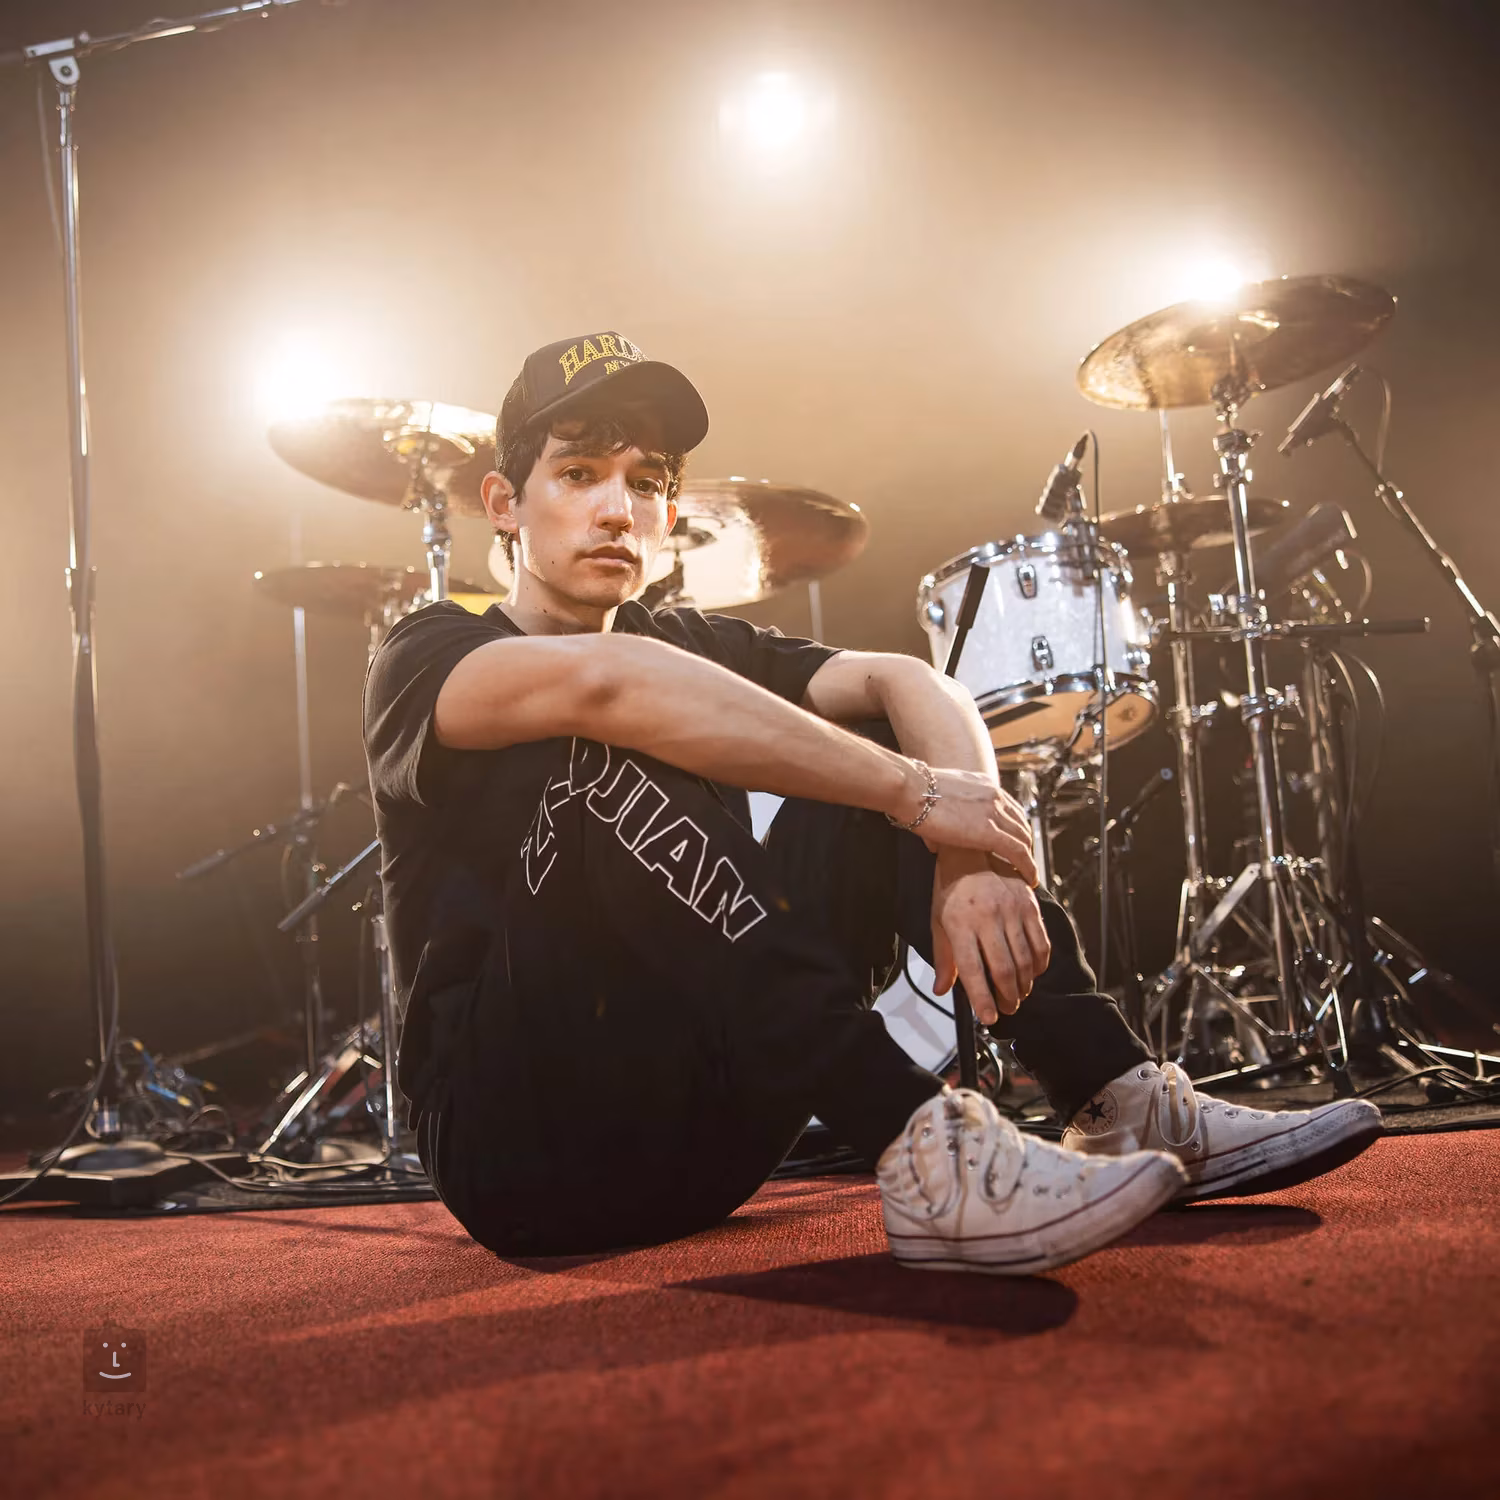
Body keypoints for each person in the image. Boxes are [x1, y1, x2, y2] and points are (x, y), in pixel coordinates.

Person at [363, 330, 1382, 1272]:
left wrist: (967, 853)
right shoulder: (429, 653)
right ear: (504, 503)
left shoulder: (687, 643)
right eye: (580, 474)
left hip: (708, 1139)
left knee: (878, 748)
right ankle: (920, 1145)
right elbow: (606, 686)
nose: (619, 509)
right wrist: (916, 795)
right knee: (611, 756)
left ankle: (1116, 1098)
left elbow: (909, 681)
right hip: (524, 1155)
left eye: (648, 483)